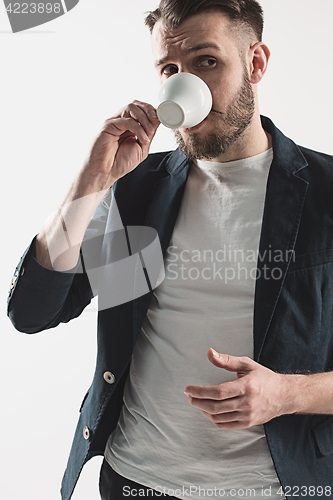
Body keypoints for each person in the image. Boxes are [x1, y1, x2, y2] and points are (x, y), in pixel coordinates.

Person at [7, 1, 333, 499]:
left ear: (256, 63)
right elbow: (33, 311)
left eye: (207, 61)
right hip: (134, 480)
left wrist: (288, 394)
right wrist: (92, 180)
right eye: (170, 69)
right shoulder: (137, 189)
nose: (187, 84)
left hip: (273, 488)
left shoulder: (326, 193)